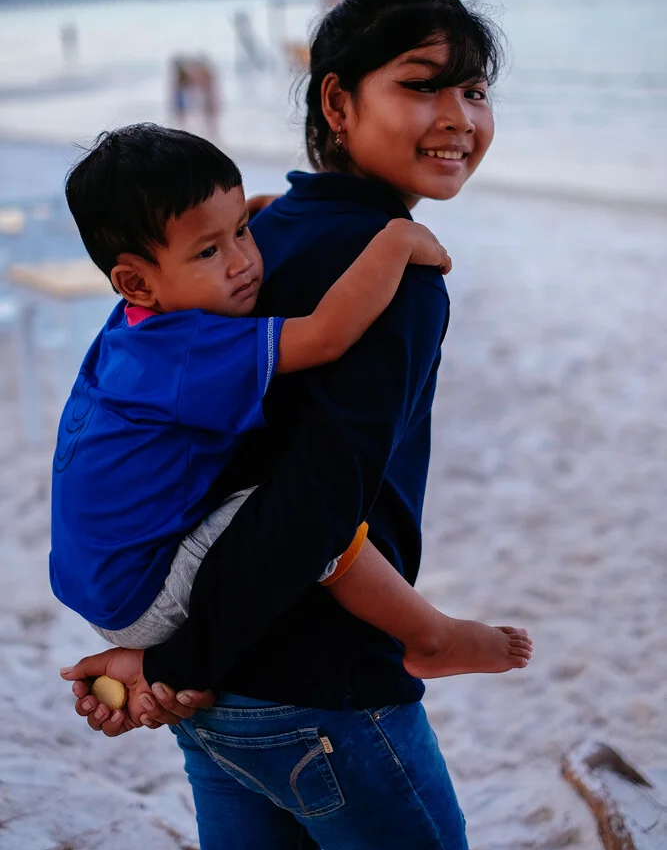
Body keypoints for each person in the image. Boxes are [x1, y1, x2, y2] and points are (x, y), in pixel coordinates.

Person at [63, 0, 532, 850]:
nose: (458, 117)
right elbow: (314, 509)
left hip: (217, 701)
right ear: (338, 101)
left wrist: (169, 663)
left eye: (474, 89)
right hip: (318, 696)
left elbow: (139, 398)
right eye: (420, 83)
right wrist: (169, 662)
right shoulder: (394, 273)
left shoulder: (237, 240)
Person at [53, 123, 529, 669]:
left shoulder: (134, 328)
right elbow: (326, 334)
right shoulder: (191, 351)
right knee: (305, 516)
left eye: (242, 231)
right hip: (142, 594)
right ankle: (431, 636)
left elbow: (214, 249)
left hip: (96, 576)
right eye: (209, 250)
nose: (242, 262)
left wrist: (240, 220)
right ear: (135, 282)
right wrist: (396, 242)